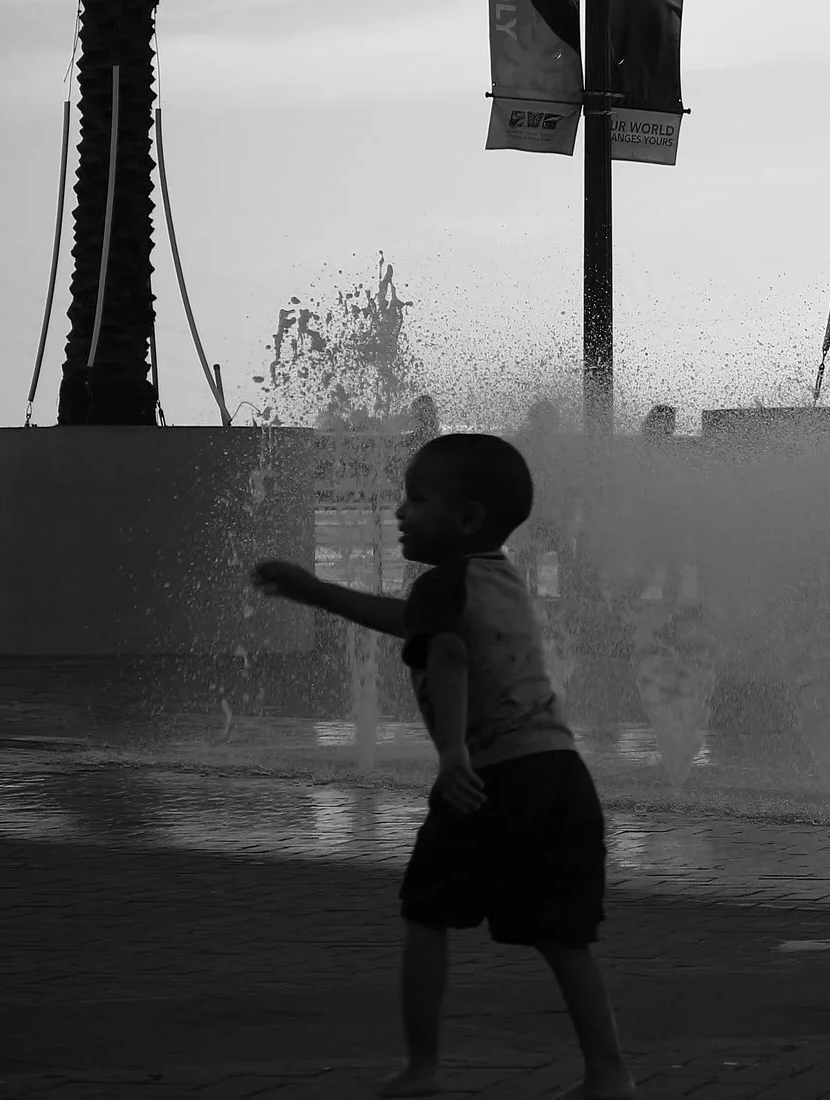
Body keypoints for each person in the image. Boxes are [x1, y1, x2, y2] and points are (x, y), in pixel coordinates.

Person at [253, 433, 634, 1100]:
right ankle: (610, 1074)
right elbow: (415, 624)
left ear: (466, 519)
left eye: (417, 498)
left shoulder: (444, 583)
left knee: (426, 914)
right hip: (560, 772)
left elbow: (448, 654)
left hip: (494, 775)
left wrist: (454, 751)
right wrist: (317, 592)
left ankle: (422, 1068)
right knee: (563, 937)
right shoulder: (498, 577)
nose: (400, 511)